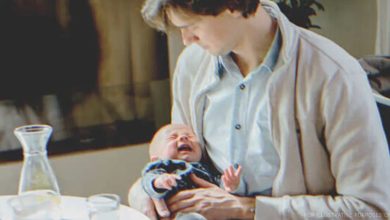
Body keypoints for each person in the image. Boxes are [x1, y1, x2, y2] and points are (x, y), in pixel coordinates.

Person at [129, 0, 390, 219]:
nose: (186, 40)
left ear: (231, 5)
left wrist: (246, 209)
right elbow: (175, 165)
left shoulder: (334, 74)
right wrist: (146, 192)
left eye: (192, 26)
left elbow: (371, 209)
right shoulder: (192, 66)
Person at [142, 124, 243, 202]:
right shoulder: (163, 167)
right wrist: (158, 182)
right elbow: (147, 180)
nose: (183, 138)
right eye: (172, 137)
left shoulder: (206, 169)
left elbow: (220, 191)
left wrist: (229, 186)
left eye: (189, 136)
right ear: (156, 159)